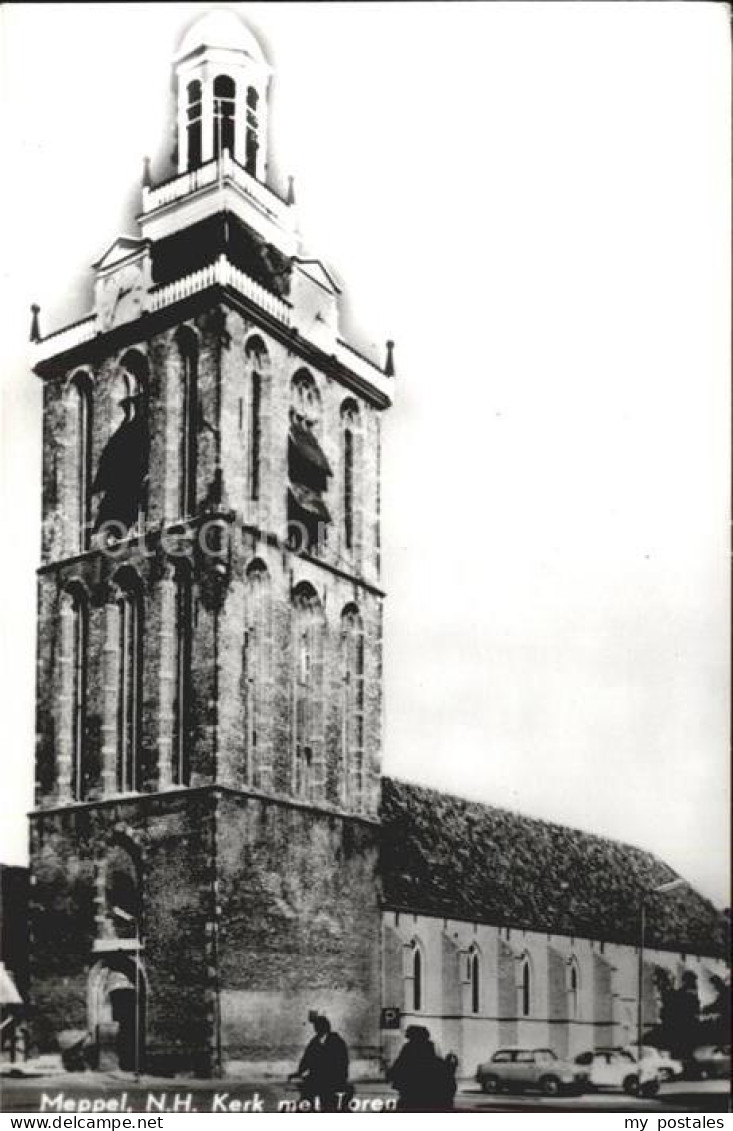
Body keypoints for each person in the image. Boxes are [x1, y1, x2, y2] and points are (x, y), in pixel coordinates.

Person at [289, 1014, 351, 1112]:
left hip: (333, 1080)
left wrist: (338, 1077)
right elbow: (306, 1059)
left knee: (328, 1105)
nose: (316, 1029)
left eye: (318, 1026)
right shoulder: (315, 1042)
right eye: (316, 1027)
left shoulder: (336, 1042)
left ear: (324, 1027)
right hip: (318, 1079)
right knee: (307, 1100)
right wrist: (298, 1073)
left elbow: (343, 1063)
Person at [387, 1025, 455, 1112]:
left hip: (412, 1094)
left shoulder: (409, 1048)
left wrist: (391, 1075)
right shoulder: (433, 1050)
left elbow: (398, 1066)